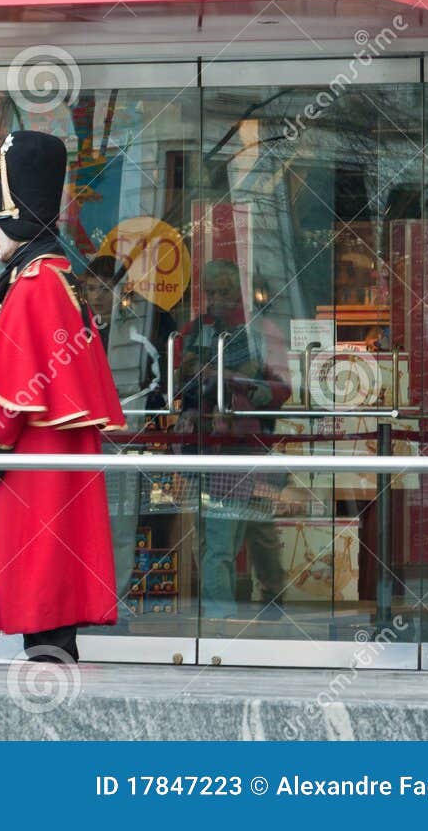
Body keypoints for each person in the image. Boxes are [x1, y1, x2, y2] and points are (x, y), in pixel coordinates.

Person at [0, 130, 123, 663]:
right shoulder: (59, 275)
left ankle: (49, 681)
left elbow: (8, 395)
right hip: (56, 458)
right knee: (50, 576)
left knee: (39, 577)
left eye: (0, 224)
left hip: (32, 463)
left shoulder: (33, 283)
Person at [176, 259, 291, 620]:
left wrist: (243, 387)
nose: (217, 298)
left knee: (254, 529)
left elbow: (281, 386)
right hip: (202, 442)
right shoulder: (195, 329)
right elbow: (180, 378)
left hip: (245, 443)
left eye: (225, 290)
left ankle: (263, 600)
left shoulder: (261, 331)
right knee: (212, 535)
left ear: (238, 292)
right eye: (212, 291)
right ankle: (223, 613)